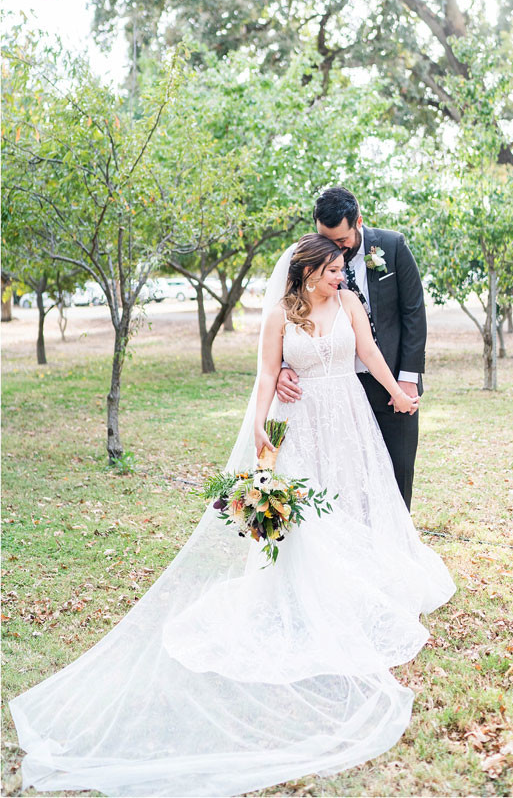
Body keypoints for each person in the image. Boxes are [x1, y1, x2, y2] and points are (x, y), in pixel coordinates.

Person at [9, 234, 455, 798]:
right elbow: (267, 376)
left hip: (348, 420)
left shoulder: (348, 303)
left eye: (342, 268)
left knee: (351, 505)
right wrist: (262, 435)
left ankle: (358, 589)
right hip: (300, 424)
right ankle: (311, 597)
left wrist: (397, 391)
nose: (341, 276)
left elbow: (368, 353)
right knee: (310, 520)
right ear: (308, 272)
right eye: (332, 270)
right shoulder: (278, 315)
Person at [277, 187, 425, 510]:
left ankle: (393, 539)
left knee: (396, 475)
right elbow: (292, 312)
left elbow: (414, 313)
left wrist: (406, 379)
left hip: (389, 380)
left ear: (358, 221)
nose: (334, 249)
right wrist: (285, 366)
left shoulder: (392, 246)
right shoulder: (312, 260)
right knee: (344, 481)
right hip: (334, 390)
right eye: (326, 239)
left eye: (341, 241)